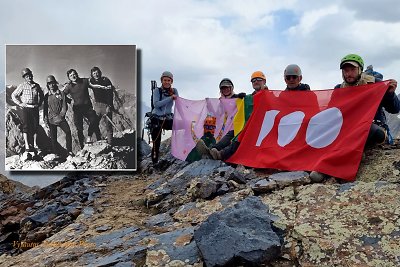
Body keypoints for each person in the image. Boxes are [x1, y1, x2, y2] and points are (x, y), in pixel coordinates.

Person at [310, 54, 400, 182]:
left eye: (352, 69)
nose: (349, 73)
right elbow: (331, 114)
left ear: (360, 70)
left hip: (374, 129)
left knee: (365, 128)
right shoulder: (339, 89)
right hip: (349, 130)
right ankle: (349, 158)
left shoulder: (374, 84)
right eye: (345, 70)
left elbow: (395, 109)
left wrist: (390, 94)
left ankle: (327, 168)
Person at [63, 69, 101, 149]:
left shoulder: (84, 81)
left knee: (94, 121)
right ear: (69, 78)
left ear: (77, 74)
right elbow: (63, 95)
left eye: (74, 74)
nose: (73, 76)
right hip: (77, 109)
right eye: (71, 75)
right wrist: (69, 100)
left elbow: (94, 86)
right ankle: (82, 147)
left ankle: (96, 139)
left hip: (87, 107)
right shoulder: (69, 86)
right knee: (79, 128)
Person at [11, 68, 44, 154]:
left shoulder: (37, 86)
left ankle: (35, 145)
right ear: (24, 78)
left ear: (32, 75)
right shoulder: (22, 86)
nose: (29, 77)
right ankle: (27, 145)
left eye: (30, 75)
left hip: (35, 108)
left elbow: (42, 95)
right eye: (27, 76)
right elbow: (13, 95)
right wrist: (20, 103)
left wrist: (39, 103)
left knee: (35, 126)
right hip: (26, 108)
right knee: (26, 127)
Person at [151, 71, 178, 164]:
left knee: (184, 127)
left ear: (171, 81)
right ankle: (154, 162)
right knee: (156, 141)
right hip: (156, 119)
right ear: (161, 81)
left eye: (169, 80)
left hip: (168, 118)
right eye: (165, 80)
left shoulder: (174, 91)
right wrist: (170, 98)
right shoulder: (157, 91)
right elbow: (156, 104)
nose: (167, 82)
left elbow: (179, 102)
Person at [43, 75, 73, 156]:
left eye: (52, 83)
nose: (51, 85)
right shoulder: (46, 96)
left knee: (68, 132)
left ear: (55, 83)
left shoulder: (61, 93)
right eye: (49, 84)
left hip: (60, 118)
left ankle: (69, 151)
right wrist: (45, 119)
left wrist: (61, 115)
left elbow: (64, 105)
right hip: (51, 119)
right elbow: (45, 109)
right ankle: (56, 154)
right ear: (48, 85)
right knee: (53, 138)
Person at [89, 66, 114, 145]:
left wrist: (109, 106)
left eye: (97, 73)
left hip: (106, 106)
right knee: (94, 124)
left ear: (100, 73)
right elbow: (82, 82)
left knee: (108, 126)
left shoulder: (106, 80)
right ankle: (98, 141)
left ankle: (110, 144)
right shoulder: (91, 82)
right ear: (92, 75)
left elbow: (110, 94)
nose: (96, 74)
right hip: (97, 106)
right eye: (94, 73)